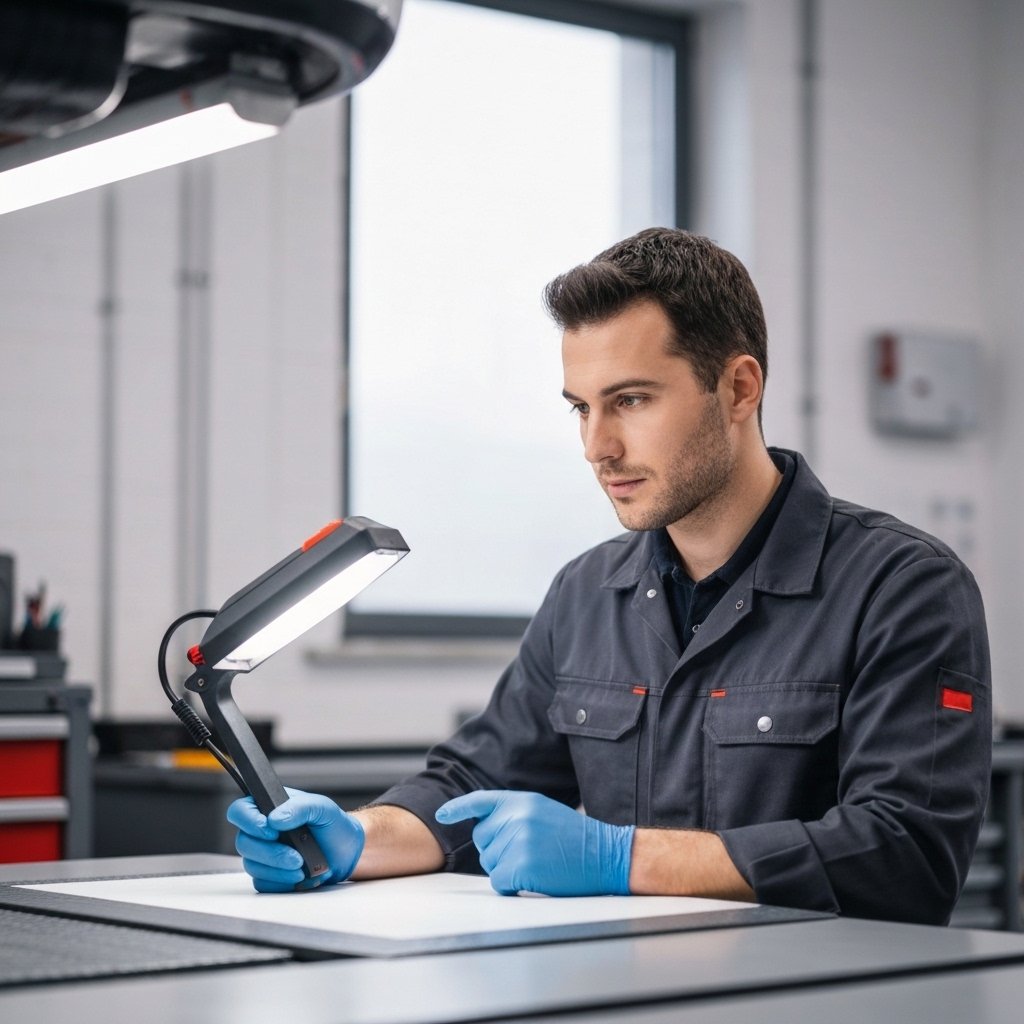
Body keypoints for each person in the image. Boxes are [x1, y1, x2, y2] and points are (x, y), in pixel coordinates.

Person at [228, 228, 992, 924]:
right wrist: (357, 838)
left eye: (630, 400)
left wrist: (621, 858)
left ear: (738, 388)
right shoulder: (586, 594)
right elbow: (471, 782)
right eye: (581, 409)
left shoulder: (902, 588)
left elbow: (906, 857)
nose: (598, 446)